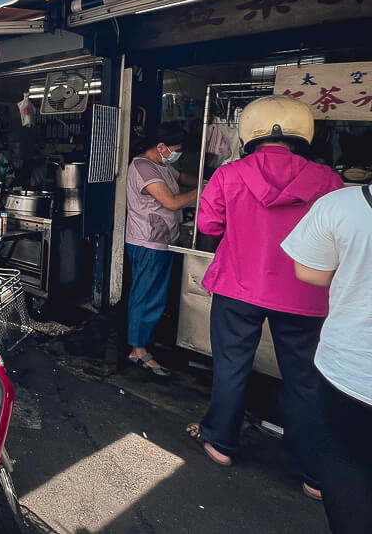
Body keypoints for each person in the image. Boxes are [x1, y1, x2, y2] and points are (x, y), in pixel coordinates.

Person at [187, 96, 342, 500]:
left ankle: (221, 443)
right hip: (305, 294)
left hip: (239, 286)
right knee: (306, 380)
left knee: (231, 367)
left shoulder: (229, 173)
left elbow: (208, 224)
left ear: (249, 131)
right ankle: (313, 474)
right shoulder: (327, 179)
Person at [282, 184, 372, 532]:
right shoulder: (322, 178)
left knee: (346, 464)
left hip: (351, 370)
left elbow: (311, 271)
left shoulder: (344, 204)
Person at [124, 122, 198, 377]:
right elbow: (172, 202)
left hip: (162, 240)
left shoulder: (162, 165)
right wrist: (203, 191)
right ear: (161, 146)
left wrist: (210, 178)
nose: (177, 154)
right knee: (146, 296)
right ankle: (138, 350)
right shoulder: (142, 166)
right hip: (148, 242)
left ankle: (142, 339)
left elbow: (182, 178)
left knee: (153, 296)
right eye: (175, 150)